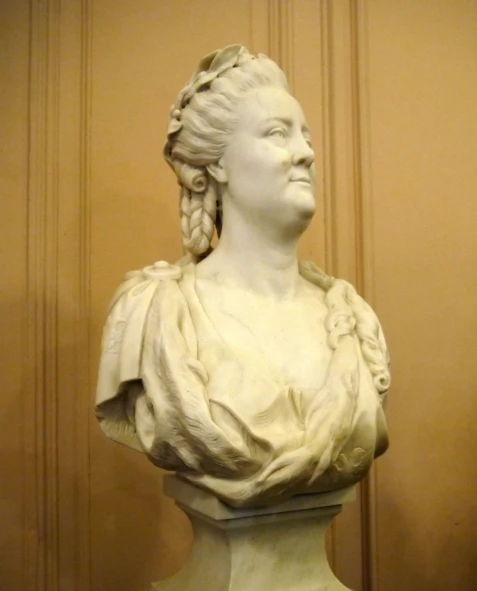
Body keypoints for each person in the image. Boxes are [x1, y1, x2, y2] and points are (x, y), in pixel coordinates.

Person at [95, 45, 390, 508]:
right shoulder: (155, 314)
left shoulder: (351, 318)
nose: (305, 154)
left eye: (306, 136)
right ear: (217, 165)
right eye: (278, 133)